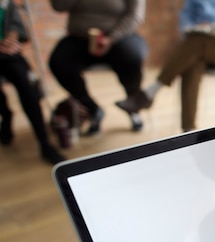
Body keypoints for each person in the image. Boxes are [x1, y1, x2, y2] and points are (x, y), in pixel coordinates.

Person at [115, 0, 215, 132]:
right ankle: (190, 131)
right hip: (201, 42)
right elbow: (184, 19)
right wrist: (196, 26)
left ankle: (153, 93)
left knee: (194, 46)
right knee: (193, 58)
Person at [48, 0, 148, 135]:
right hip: (80, 38)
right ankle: (92, 109)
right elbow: (58, 6)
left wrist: (111, 39)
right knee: (59, 62)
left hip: (120, 36)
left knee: (132, 57)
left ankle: (133, 104)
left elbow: (135, 16)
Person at [0, 0, 65, 164]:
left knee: (27, 88)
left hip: (8, 54)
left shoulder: (7, 3)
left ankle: (44, 143)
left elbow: (17, 26)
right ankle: (6, 116)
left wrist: (12, 38)